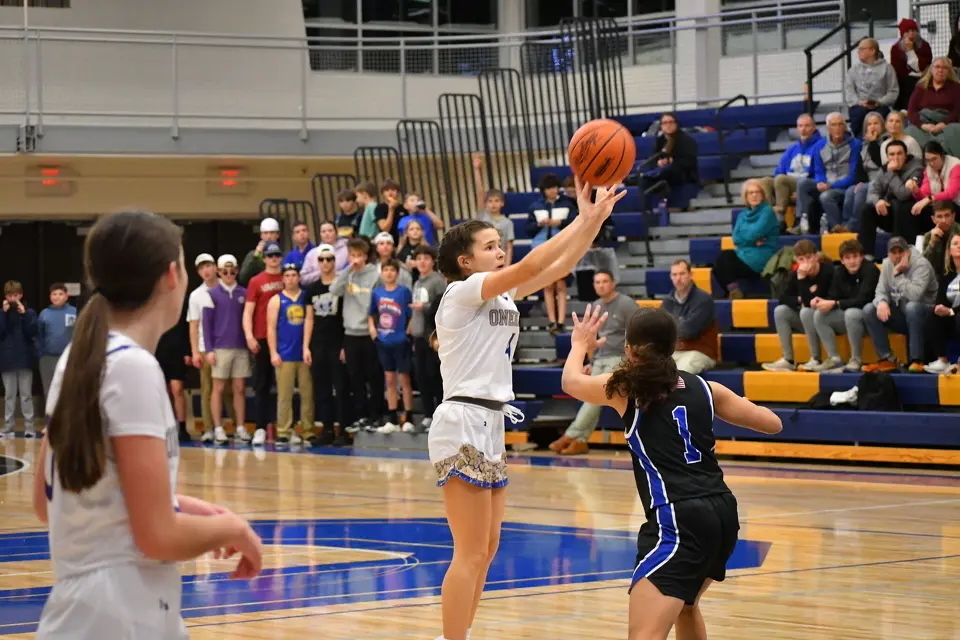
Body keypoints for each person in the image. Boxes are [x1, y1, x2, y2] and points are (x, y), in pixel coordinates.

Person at [32, 210, 262, 639]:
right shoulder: (133, 368)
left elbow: (51, 501)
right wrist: (235, 529)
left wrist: (181, 505)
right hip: (120, 615)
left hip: (104, 611)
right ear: (172, 276)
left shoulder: (80, 358)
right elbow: (157, 536)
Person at [428, 180, 625, 640]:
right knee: (470, 552)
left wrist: (593, 220)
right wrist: (579, 219)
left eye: (501, 245)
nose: (500, 252)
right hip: (462, 419)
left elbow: (560, 264)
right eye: (491, 246)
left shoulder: (500, 298)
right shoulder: (461, 293)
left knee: (488, 548)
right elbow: (535, 261)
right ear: (465, 261)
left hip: (490, 420)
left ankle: (463, 633)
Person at [560, 304, 781, 640]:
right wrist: (742, 402)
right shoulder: (707, 389)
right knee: (686, 606)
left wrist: (579, 344)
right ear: (676, 346)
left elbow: (572, 382)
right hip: (722, 514)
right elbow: (773, 423)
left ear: (629, 350)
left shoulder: (625, 389)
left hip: (677, 519)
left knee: (644, 635)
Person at [548, 269, 640, 456]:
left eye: (605, 281)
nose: (601, 285)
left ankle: (572, 436)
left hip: (620, 358)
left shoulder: (626, 304)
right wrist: (592, 361)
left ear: (613, 283)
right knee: (591, 396)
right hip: (601, 358)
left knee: (594, 394)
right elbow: (593, 338)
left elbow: (639, 331)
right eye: (597, 282)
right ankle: (579, 440)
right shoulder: (596, 305)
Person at [202, 255, 252, 446]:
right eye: (225, 271)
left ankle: (240, 426)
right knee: (219, 388)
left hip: (240, 346)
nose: (229, 274)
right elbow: (206, 325)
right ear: (219, 272)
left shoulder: (244, 292)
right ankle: (218, 428)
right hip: (220, 347)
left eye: (232, 271)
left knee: (240, 388)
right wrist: (209, 349)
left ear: (237, 271)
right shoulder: (212, 294)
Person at [304, 244, 349, 446]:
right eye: (321, 260)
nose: (325, 263)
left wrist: (344, 345)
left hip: (337, 343)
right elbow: (309, 319)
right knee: (321, 389)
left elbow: (346, 316)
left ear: (334, 261)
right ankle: (327, 428)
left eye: (329, 259)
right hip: (318, 345)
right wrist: (306, 346)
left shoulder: (341, 287)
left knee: (340, 388)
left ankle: (343, 429)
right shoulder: (312, 289)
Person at [187, 253, 234, 442]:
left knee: (229, 388)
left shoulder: (228, 289)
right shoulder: (196, 295)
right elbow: (193, 325)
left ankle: (235, 425)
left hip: (227, 344)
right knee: (208, 388)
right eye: (201, 268)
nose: (206, 271)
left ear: (216, 267)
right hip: (205, 347)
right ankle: (209, 428)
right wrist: (195, 351)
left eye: (208, 266)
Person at [266, 263, 313, 446]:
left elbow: (309, 321)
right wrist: (273, 352)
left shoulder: (305, 297)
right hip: (284, 354)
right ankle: (284, 430)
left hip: (302, 354)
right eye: (288, 275)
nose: (291, 278)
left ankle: (308, 429)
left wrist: (306, 347)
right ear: (283, 279)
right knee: (284, 395)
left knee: (307, 394)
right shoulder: (276, 300)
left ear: (299, 278)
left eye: (294, 275)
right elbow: (270, 328)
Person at [243, 241, 285, 444]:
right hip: (261, 337)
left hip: (285, 339)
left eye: (277, 255)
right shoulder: (256, 281)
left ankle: (285, 428)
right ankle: (260, 427)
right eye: (270, 256)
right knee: (262, 385)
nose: (273, 259)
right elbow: (248, 311)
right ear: (264, 258)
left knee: (285, 386)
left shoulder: (288, 277)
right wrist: (249, 336)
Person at [368, 260, 414, 434]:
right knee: (389, 380)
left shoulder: (404, 292)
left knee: (405, 380)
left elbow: (411, 314)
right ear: (381, 273)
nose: (388, 273)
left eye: (391, 270)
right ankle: (392, 417)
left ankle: (408, 417)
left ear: (397, 273)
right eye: (385, 270)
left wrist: (407, 332)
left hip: (400, 341)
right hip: (384, 341)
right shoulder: (377, 293)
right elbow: (371, 314)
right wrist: (373, 332)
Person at [0, 281, 37, 437]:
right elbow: (1, 333)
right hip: (7, 359)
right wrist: (3, 313)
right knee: (9, 395)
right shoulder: (1, 312)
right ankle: (8, 426)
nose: (13, 298)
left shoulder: (30, 313)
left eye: (16, 295)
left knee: (26, 395)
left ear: (21, 295)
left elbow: (32, 333)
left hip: (25, 359)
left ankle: (29, 427)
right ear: (6, 297)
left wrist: (25, 315)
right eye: (10, 295)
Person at [37, 283, 77, 402]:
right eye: (54, 294)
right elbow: (39, 335)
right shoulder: (44, 313)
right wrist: (41, 353)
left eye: (60, 294)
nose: (57, 297)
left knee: (69, 389)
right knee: (49, 390)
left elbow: (80, 333)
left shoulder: (74, 312)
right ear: (50, 297)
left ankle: (68, 420)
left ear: (66, 296)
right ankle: (51, 419)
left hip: (69, 357)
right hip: (48, 358)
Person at [238, 217, 281, 286]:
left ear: (277, 235)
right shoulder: (252, 254)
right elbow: (243, 278)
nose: (269, 236)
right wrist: (255, 256)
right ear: (261, 235)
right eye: (265, 233)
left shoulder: (283, 253)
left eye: (272, 233)